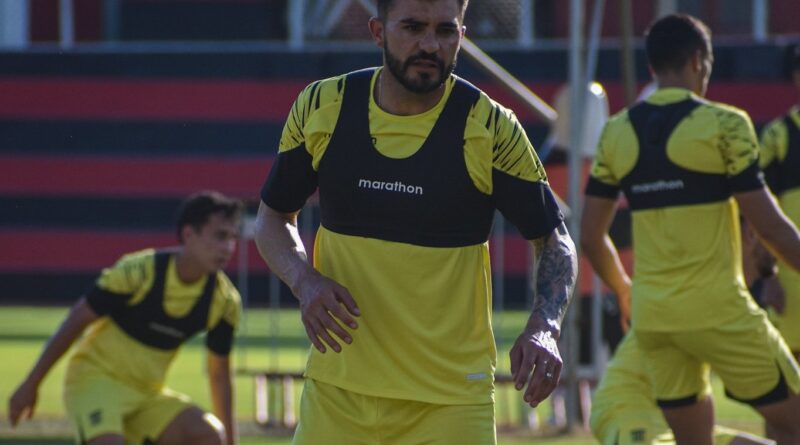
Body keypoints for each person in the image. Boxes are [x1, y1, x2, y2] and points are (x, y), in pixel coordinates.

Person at [254, 0, 578, 443]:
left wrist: (545, 326)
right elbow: (272, 216)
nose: (430, 44)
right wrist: (303, 279)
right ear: (377, 31)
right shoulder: (321, 107)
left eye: (445, 30)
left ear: (462, 35)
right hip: (338, 396)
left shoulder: (490, 127)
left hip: (450, 403)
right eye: (412, 27)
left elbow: (554, 238)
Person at [580, 13, 800, 445]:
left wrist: (624, 290)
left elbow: (590, 235)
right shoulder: (726, 125)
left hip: (654, 317)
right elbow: (770, 227)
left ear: (652, 68)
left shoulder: (616, 133)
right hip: (719, 311)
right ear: (700, 62)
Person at [8, 191, 243, 445]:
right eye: (220, 236)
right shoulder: (139, 271)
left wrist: (230, 442)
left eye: (233, 238)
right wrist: (31, 384)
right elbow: (76, 320)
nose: (228, 247)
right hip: (95, 381)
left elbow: (219, 374)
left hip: (147, 395)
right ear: (188, 234)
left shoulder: (225, 301)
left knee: (209, 436)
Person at [759, 44, 800, 361]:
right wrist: (768, 277)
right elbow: (757, 213)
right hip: (792, 275)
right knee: (791, 366)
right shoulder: (778, 136)